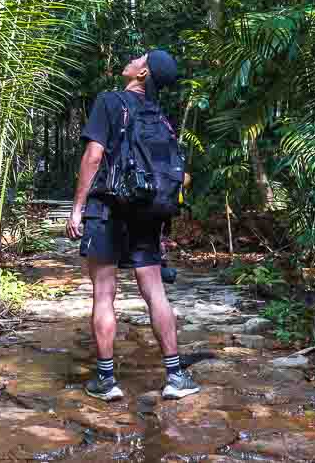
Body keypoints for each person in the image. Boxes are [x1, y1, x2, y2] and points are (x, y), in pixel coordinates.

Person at [66, 50, 200, 402]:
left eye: (140, 57)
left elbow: (93, 157)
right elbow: (180, 175)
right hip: (146, 212)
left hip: (107, 208)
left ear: (142, 73)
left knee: (104, 292)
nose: (132, 58)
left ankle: (107, 382)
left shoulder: (109, 102)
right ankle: (175, 376)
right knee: (155, 290)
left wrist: (78, 208)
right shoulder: (160, 115)